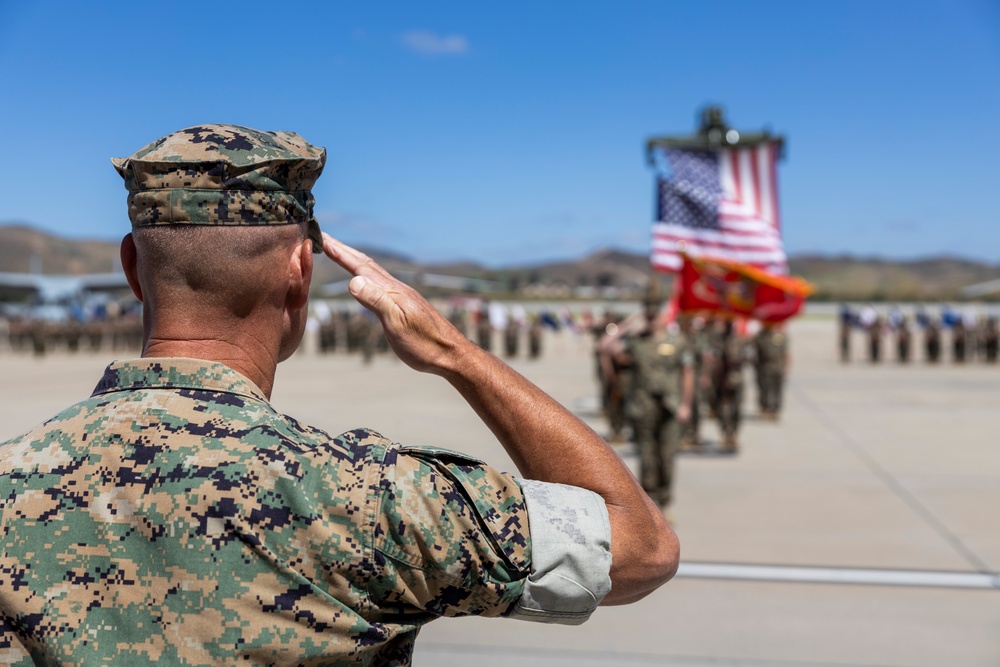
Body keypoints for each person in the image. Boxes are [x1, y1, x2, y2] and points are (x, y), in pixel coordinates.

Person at [0, 125, 678, 665]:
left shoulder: (10, 483)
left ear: (131, 269)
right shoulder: (368, 495)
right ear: (301, 271)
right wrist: (454, 352)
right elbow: (641, 548)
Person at [615, 295, 694, 515]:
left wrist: (686, 405)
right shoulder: (636, 342)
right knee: (647, 458)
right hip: (643, 407)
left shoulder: (677, 342)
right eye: (647, 316)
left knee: (667, 458)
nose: (651, 320)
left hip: (670, 406)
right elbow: (606, 346)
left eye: (654, 316)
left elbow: (687, 372)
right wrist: (628, 324)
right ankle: (651, 509)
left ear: (663, 316)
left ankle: (665, 503)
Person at [754, 322, 789, 421]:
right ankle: (765, 408)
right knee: (764, 389)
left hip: (777, 366)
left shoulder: (779, 337)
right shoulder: (759, 336)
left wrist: (785, 368)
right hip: (764, 366)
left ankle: (774, 410)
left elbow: (785, 353)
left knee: (777, 390)